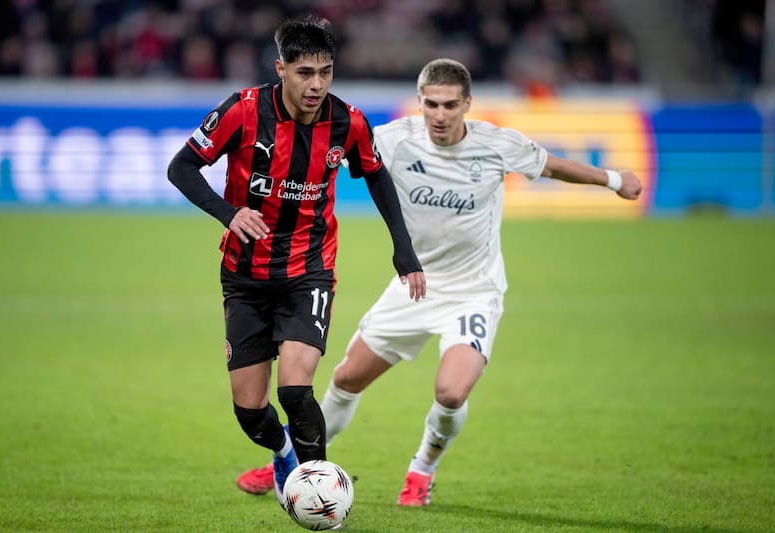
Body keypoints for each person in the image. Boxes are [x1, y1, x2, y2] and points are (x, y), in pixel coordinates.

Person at [236, 58, 643, 506]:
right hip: (414, 285)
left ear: (467, 103)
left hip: (473, 290)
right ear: (420, 102)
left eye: (450, 105)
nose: (440, 115)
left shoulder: (496, 145)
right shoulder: (394, 140)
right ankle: (295, 462)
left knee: (450, 390)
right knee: (347, 378)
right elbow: (327, 152)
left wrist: (613, 179)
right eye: (431, 104)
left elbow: (554, 167)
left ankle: (421, 470)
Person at [167, 15, 426, 506]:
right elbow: (181, 166)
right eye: (305, 72)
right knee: (250, 412)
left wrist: (403, 248)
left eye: (326, 72)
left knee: (295, 391)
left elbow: (375, 175)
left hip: (309, 271)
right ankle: (282, 450)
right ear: (280, 67)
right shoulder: (242, 111)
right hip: (244, 275)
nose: (317, 84)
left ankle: (320, 493)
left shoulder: (346, 120)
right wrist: (229, 213)